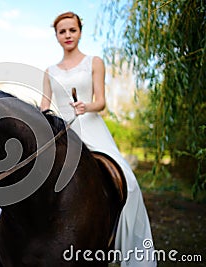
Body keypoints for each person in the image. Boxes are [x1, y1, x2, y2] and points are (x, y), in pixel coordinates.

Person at [40, 11, 157, 267]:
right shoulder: (49, 71)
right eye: (62, 31)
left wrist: (86, 107)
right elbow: (44, 107)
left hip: (91, 125)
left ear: (80, 32)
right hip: (62, 131)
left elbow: (101, 102)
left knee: (131, 184)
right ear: (57, 36)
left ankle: (122, 243)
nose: (68, 35)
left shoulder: (94, 61)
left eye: (72, 30)